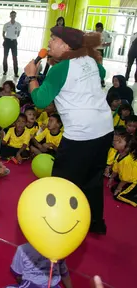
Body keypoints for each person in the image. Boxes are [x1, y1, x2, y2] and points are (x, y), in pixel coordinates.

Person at [24, 26, 114, 234]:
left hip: (81, 134)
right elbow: (101, 72)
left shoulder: (59, 69)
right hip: (104, 129)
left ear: (66, 46)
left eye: (53, 39)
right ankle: (94, 223)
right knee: (93, 177)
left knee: (62, 181)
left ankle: (58, 226)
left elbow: (40, 100)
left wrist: (31, 77)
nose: (49, 43)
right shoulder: (89, 60)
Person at [2, 11, 21, 77]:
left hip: (14, 42)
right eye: (12, 15)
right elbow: (3, 33)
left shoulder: (18, 25)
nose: (13, 16)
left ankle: (16, 72)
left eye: (14, 15)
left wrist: (13, 37)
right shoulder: (6, 24)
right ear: (10, 16)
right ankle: (5, 71)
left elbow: (18, 34)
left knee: (15, 57)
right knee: (5, 57)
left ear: (15, 16)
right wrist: (6, 40)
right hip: (7, 41)